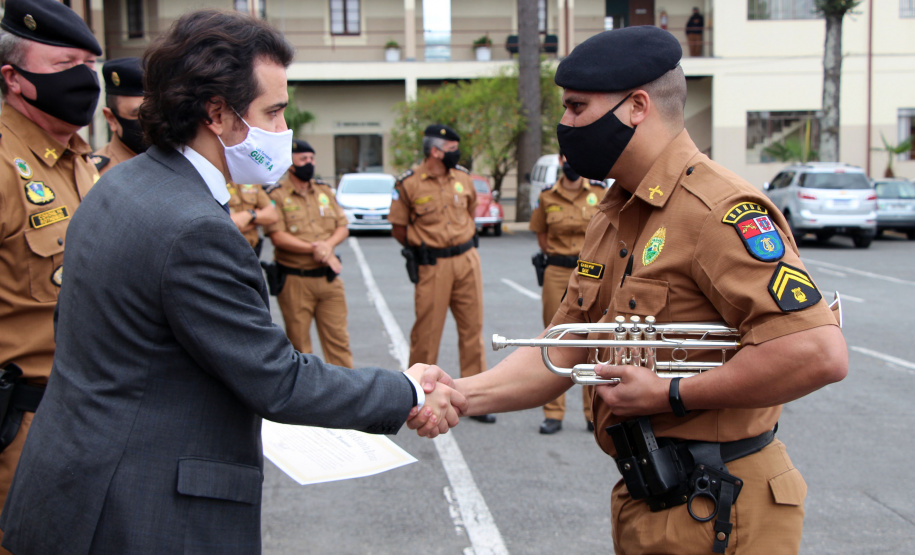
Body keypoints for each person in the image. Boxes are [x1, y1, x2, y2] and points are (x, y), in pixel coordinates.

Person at [0, 10, 464, 554]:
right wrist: (406, 388)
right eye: (273, 112)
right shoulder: (194, 226)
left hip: (70, 487)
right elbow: (276, 379)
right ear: (216, 114)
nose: (283, 131)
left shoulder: (120, 183)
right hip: (138, 512)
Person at [446, 26, 847, 554]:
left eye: (576, 107)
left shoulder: (717, 211)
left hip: (726, 506)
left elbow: (817, 353)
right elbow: (565, 346)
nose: (564, 125)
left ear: (636, 106)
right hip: (653, 497)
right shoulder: (613, 213)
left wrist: (670, 394)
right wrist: (457, 394)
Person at [0, 0, 102, 534]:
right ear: (14, 78)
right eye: (65, 65)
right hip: (18, 429)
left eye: (89, 64)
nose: (85, 78)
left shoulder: (83, 163)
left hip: (84, 422)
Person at [389, 124, 495, 424]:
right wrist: (420, 246)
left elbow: (471, 212)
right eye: (451, 150)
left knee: (472, 330)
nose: (456, 154)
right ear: (435, 151)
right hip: (433, 265)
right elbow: (399, 227)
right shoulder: (409, 184)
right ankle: (417, 397)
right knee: (427, 332)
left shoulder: (462, 178)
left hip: (466, 260)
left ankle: (476, 400)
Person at [529, 152, 603, 435]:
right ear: (560, 161)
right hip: (557, 271)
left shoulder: (599, 191)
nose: (572, 164)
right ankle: (553, 412)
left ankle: (592, 412)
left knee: (596, 338)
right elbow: (542, 235)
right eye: (567, 159)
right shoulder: (547, 196)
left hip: (593, 273)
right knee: (554, 337)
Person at [265, 139, 354, 368]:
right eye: (304, 159)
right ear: (290, 163)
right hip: (296, 280)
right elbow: (277, 236)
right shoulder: (277, 194)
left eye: (312, 159)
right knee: (300, 347)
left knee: (339, 344)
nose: (309, 163)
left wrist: (327, 245)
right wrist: (315, 248)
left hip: (328, 279)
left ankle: (347, 399)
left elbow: (343, 227)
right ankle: (310, 401)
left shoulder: (324, 191)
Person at [92, 56, 146, 174]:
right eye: (138, 114)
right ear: (111, 119)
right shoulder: (94, 174)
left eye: (157, 111)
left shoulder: (181, 160)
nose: (152, 120)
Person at [228, 179, 277, 256]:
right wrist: (258, 220)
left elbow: (272, 215)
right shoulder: (215, 182)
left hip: (252, 250)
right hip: (228, 252)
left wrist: (249, 215)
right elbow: (226, 225)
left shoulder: (250, 181)